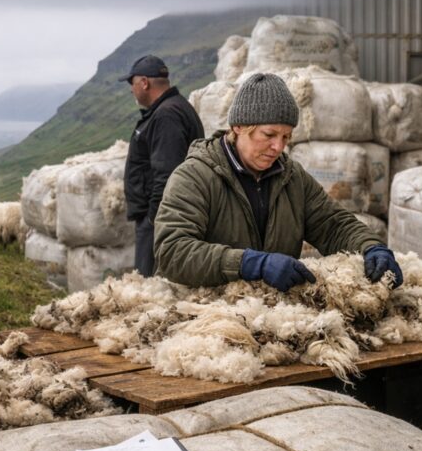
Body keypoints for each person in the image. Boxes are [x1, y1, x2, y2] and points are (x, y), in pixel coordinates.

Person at [154, 72, 403, 291]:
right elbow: (172, 252)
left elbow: (333, 225)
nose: (278, 147)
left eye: (286, 137)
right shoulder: (195, 176)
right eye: (269, 134)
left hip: (269, 316)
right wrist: (249, 264)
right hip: (204, 319)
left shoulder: (291, 177)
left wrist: (371, 247)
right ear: (239, 126)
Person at [121, 55, 204, 277]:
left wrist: (154, 220)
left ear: (144, 83)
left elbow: (168, 173)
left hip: (160, 220)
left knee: (149, 286)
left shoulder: (166, 115)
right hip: (161, 217)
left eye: (132, 83)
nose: (131, 90)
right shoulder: (171, 109)